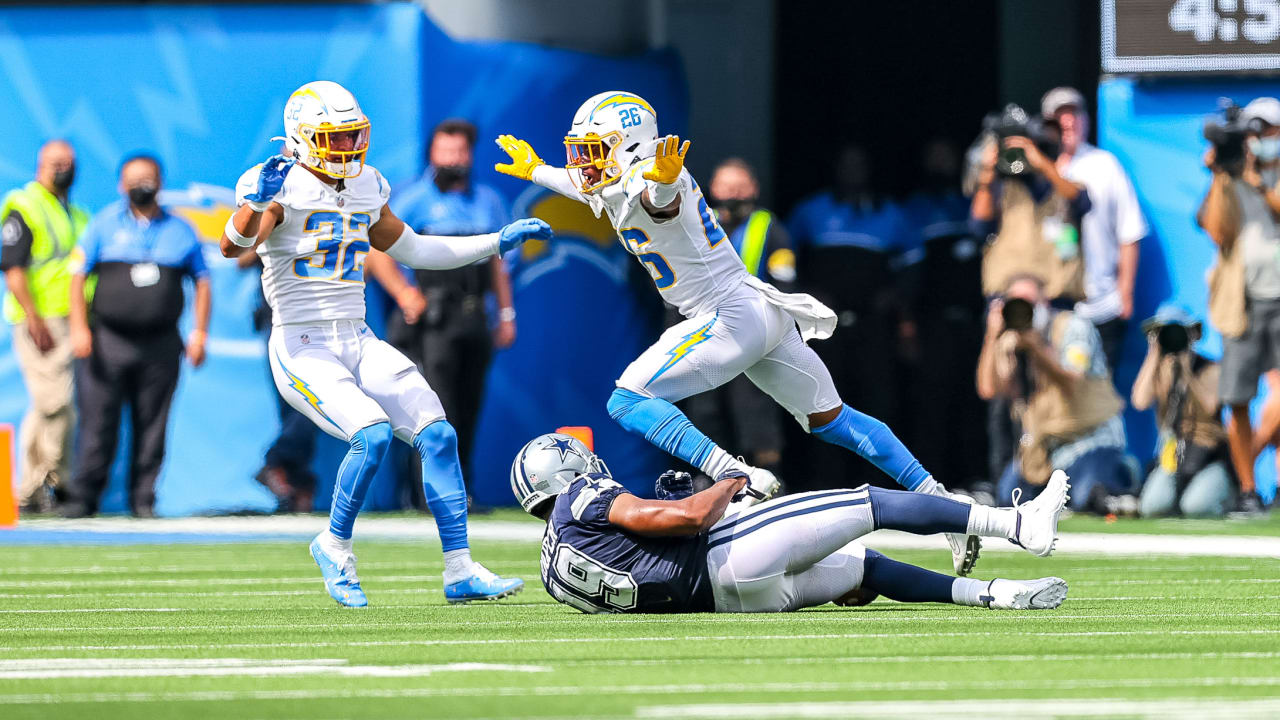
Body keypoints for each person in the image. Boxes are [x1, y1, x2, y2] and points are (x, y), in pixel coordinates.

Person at [494, 91, 983, 577]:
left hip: (726, 315)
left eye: (596, 149)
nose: (584, 162)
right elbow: (590, 188)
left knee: (626, 399)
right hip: (758, 309)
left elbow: (658, 199)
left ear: (631, 146)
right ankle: (946, 508)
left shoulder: (654, 175)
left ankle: (739, 473)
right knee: (836, 421)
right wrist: (535, 168)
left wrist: (664, 183)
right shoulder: (621, 177)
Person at [218, 81, 551, 607]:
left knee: (439, 435)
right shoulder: (281, 184)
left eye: (353, 136)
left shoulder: (368, 184)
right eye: (335, 137)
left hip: (356, 335)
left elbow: (414, 248)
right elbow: (231, 246)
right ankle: (334, 545)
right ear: (302, 138)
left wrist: (493, 242)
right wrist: (253, 205)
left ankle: (460, 568)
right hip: (302, 344)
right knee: (370, 437)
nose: (348, 148)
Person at [510, 432, 1069, 614]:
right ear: (565, 470)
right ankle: (1019, 525)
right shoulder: (581, 497)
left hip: (729, 601)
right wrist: (730, 481)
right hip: (727, 554)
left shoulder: (551, 567)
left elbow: (643, 562)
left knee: (863, 571)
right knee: (869, 502)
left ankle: (996, 594)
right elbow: (686, 519)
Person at [365, 118, 515, 490]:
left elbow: (500, 263)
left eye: (460, 151)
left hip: (474, 313)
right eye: (445, 150)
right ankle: (430, 493)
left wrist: (507, 314)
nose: (453, 158)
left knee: (469, 405)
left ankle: (463, 492)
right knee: (436, 407)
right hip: (431, 318)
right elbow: (375, 250)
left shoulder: (488, 201)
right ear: (432, 153)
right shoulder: (413, 199)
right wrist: (404, 293)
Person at [61, 154, 211, 518]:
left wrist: (200, 333)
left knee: (153, 425)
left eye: (148, 178)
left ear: (160, 182)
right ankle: (84, 498)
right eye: (133, 179)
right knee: (98, 423)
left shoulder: (180, 230)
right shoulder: (103, 225)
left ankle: (143, 499)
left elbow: (203, 280)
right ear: (120, 186)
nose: (141, 185)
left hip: (161, 344)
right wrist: (79, 329)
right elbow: (77, 276)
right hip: (108, 340)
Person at [786, 143, 910, 488]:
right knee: (822, 402)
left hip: (874, 325)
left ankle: (877, 482)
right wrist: (806, 292)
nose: (853, 172)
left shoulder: (890, 213)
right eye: (846, 165)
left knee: (877, 400)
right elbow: (784, 259)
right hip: (825, 326)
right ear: (836, 169)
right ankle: (825, 484)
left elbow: (912, 265)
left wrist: (895, 296)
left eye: (860, 165)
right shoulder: (811, 211)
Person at [672, 157, 793, 480]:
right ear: (712, 189)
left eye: (740, 186)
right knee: (705, 409)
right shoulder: (698, 223)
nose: (733, 194)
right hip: (706, 334)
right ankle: (709, 479)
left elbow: (784, 279)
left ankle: (769, 478)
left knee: (755, 409)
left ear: (753, 189)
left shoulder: (768, 227)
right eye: (726, 187)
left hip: (753, 334)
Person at [977, 275, 1133, 513]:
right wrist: (992, 336)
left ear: (1044, 302)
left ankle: (1123, 471)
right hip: (1044, 447)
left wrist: (1037, 347)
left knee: (1083, 499)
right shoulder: (1010, 340)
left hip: (1089, 438)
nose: (1022, 310)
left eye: (1028, 302)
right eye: (1015, 303)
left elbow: (1074, 381)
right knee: (1010, 499)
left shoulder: (1073, 325)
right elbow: (989, 390)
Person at [1199, 99, 1280, 515]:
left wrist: (1260, 181)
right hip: (1242, 302)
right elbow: (1216, 230)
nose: (1259, 140)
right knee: (1238, 399)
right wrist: (1219, 175)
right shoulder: (1230, 178)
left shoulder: (1269, 177)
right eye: (1254, 132)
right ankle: (1248, 489)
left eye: (1267, 131)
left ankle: (1245, 470)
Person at [0, 140, 87, 513]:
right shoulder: (25, 205)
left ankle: (34, 487)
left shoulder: (76, 213)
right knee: (55, 401)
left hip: (70, 317)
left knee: (51, 405)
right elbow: (13, 267)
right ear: (40, 165)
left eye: (68, 162)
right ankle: (48, 480)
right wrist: (33, 317)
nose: (63, 169)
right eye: (56, 163)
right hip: (41, 319)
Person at [1042, 87, 1147, 372]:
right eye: (1059, 118)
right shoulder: (1034, 168)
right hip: (1051, 305)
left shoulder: (1104, 165)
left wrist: (1125, 292)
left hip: (1101, 303)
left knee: (1099, 397)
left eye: (1073, 114)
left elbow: (1130, 231)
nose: (1068, 123)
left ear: (1087, 119)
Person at [1131, 305, 1234, 518]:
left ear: (1192, 335)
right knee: (1152, 507)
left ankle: (1227, 492)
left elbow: (1210, 405)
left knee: (1195, 507)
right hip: (1174, 455)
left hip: (1208, 456)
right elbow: (1139, 401)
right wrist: (1154, 354)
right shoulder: (1160, 370)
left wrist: (1187, 369)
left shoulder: (1210, 368)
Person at [237, 247, 318, 512]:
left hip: (324, 318)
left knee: (317, 401)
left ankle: (292, 478)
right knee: (301, 400)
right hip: (281, 318)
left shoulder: (328, 213)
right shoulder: (272, 210)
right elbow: (240, 257)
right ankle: (280, 465)